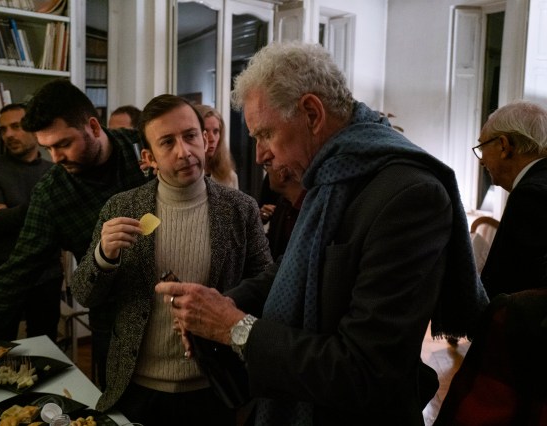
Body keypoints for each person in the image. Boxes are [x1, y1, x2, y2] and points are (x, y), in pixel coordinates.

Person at [155, 42, 489, 425]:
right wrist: (217, 306)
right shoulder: (331, 175)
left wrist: (234, 328)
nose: (260, 154)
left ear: (312, 114)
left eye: (266, 134)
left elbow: (367, 370)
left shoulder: (410, 195)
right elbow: (287, 270)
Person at [0, 79, 150, 413]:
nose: (56, 157)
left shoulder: (144, 147)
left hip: (174, 307)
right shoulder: (52, 193)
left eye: (64, 143)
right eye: (48, 148)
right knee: (123, 410)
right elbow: (12, 277)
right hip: (115, 321)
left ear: (93, 126)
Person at [70, 94, 272, 425]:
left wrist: (221, 308)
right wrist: (103, 257)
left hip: (213, 386)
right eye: (167, 142)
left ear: (204, 139)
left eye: (190, 136)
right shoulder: (122, 207)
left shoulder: (240, 209)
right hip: (137, 387)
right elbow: (84, 294)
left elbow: (266, 289)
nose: (184, 151)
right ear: (149, 157)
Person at [0, 103, 63, 341]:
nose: (9, 135)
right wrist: (42, 206)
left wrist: (11, 211)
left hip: (46, 274)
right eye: (3, 129)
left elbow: (61, 226)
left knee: (44, 346)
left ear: (34, 128)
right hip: (1, 273)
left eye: (16, 126)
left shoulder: (54, 171)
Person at [474, 100, 547, 299]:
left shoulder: (530, 195)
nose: (481, 161)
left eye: (482, 147)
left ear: (504, 146)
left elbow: (514, 282)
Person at [262, 164, 305, 260]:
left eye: (267, 166)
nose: (267, 172)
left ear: (282, 174)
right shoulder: (282, 203)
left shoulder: (307, 209)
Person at [194, 104, 239, 189]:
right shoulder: (185, 175)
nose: (212, 139)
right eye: (205, 131)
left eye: (216, 131)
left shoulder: (230, 177)